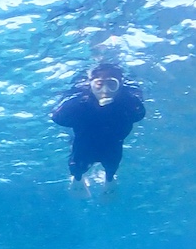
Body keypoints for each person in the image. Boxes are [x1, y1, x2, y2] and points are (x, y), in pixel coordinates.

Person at [51, 62, 145, 193]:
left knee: (112, 162)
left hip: (113, 142)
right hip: (85, 141)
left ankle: (110, 179)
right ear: (91, 85)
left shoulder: (125, 101)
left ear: (120, 86)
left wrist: (124, 101)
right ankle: (78, 178)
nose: (105, 91)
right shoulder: (82, 102)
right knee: (77, 164)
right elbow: (57, 118)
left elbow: (139, 114)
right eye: (99, 85)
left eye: (112, 85)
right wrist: (77, 102)